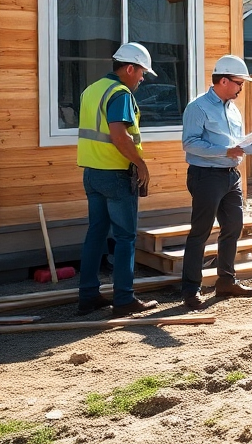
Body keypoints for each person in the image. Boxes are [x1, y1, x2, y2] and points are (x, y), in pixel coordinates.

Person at [76, 42, 158, 317]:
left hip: (92, 174)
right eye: (141, 72)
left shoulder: (92, 89)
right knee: (125, 237)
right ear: (129, 68)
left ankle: (88, 296)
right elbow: (118, 134)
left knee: (96, 234)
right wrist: (141, 164)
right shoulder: (120, 93)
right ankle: (123, 299)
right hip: (116, 175)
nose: (142, 78)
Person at [180, 55, 252, 310]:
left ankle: (226, 282)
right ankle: (190, 290)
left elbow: (237, 146)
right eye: (239, 83)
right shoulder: (197, 108)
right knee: (200, 231)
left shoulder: (233, 109)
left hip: (231, 176)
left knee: (233, 226)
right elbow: (190, 143)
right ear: (225, 80)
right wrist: (226, 151)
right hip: (206, 176)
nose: (242, 88)